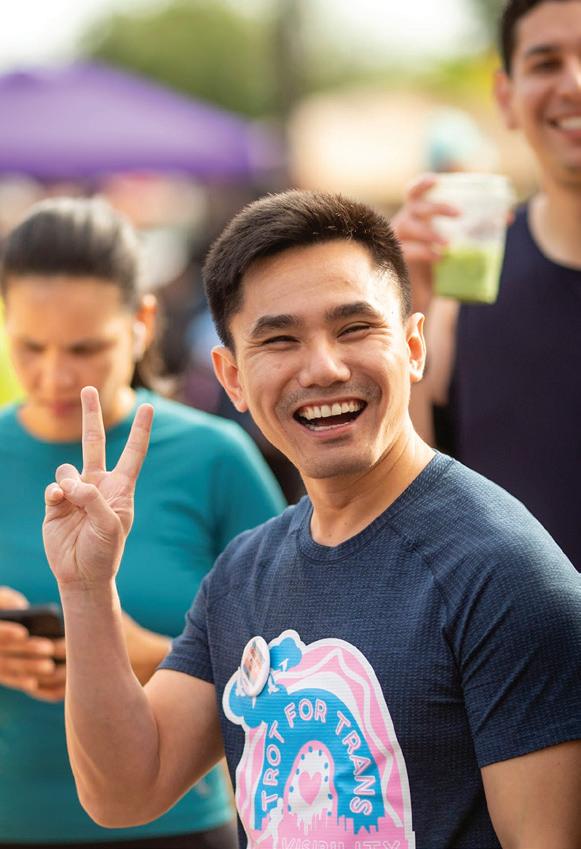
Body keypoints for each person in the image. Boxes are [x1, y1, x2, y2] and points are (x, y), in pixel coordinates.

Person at [41, 190, 581, 849]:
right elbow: (126, 788)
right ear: (232, 379)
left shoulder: (505, 574)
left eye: (354, 329)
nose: (324, 368)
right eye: (280, 340)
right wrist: (86, 587)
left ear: (413, 346)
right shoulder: (243, 572)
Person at [0, 197, 285, 848]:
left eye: (86, 347)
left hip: (177, 824)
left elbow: (295, 653)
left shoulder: (215, 458)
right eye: (30, 346)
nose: (55, 374)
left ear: (142, 323)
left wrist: (144, 655)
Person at [392, 0, 581, 570]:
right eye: (546, 63)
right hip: (513, 625)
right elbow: (411, 496)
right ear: (506, 97)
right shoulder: (461, 292)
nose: (574, 84)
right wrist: (399, 305)